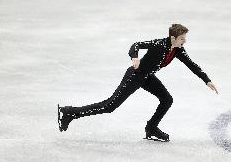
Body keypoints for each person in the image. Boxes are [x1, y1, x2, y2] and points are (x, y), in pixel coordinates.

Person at [58, 23, 218, 142]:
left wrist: (207, 80)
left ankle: (151, 128)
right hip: (135, 75)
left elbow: (192, 65)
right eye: (182, 39)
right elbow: (136, 44)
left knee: (167, 100)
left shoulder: (178, 50)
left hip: (147, 77)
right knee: (109, 106)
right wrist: (134, 56)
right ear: (173, 38)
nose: (185, 42)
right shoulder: (159, 44)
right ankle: (70, 112)